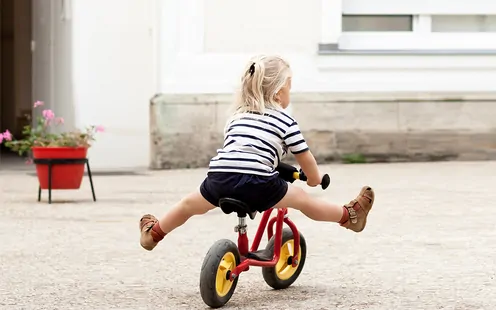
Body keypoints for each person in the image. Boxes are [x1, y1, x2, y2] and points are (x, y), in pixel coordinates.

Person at [139, 54, 375, 251]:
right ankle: (349, 216)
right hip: (259, 182)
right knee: (303, 200)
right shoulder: (285, 121)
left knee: (188, 204)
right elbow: (305, 157)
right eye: (289, 88)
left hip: (219, 178)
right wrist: (313, 179)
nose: (289, 94)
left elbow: (241, 150)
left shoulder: (236, 117)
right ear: (277, 94)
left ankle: (154, 234)